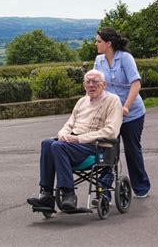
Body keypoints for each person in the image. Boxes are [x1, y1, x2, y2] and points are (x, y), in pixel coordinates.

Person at [27, 70, 122, 211]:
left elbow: (111, 131)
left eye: (95, 81)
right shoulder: (82, 101)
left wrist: (78, 139)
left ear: (104, 85)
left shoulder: (112, 100)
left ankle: (69, 194)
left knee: (58, 147)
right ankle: (46, 195)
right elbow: (69, 124)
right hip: (74, 145)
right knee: (47, 143)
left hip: (96, 146)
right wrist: (63, 134)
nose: (91, 85)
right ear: (84, 85)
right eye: (88, 82)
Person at [94, 27, 151, 198]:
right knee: (106, 150)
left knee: (132, 150)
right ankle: (104, 192)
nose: (95, 44)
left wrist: (125, 106)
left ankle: (141, 187)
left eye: (98, 41)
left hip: (132, 113)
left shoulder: (125, 58)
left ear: (108, 43)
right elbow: (97, 85)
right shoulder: (99, 60)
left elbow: (136, 84)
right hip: (110, 114)